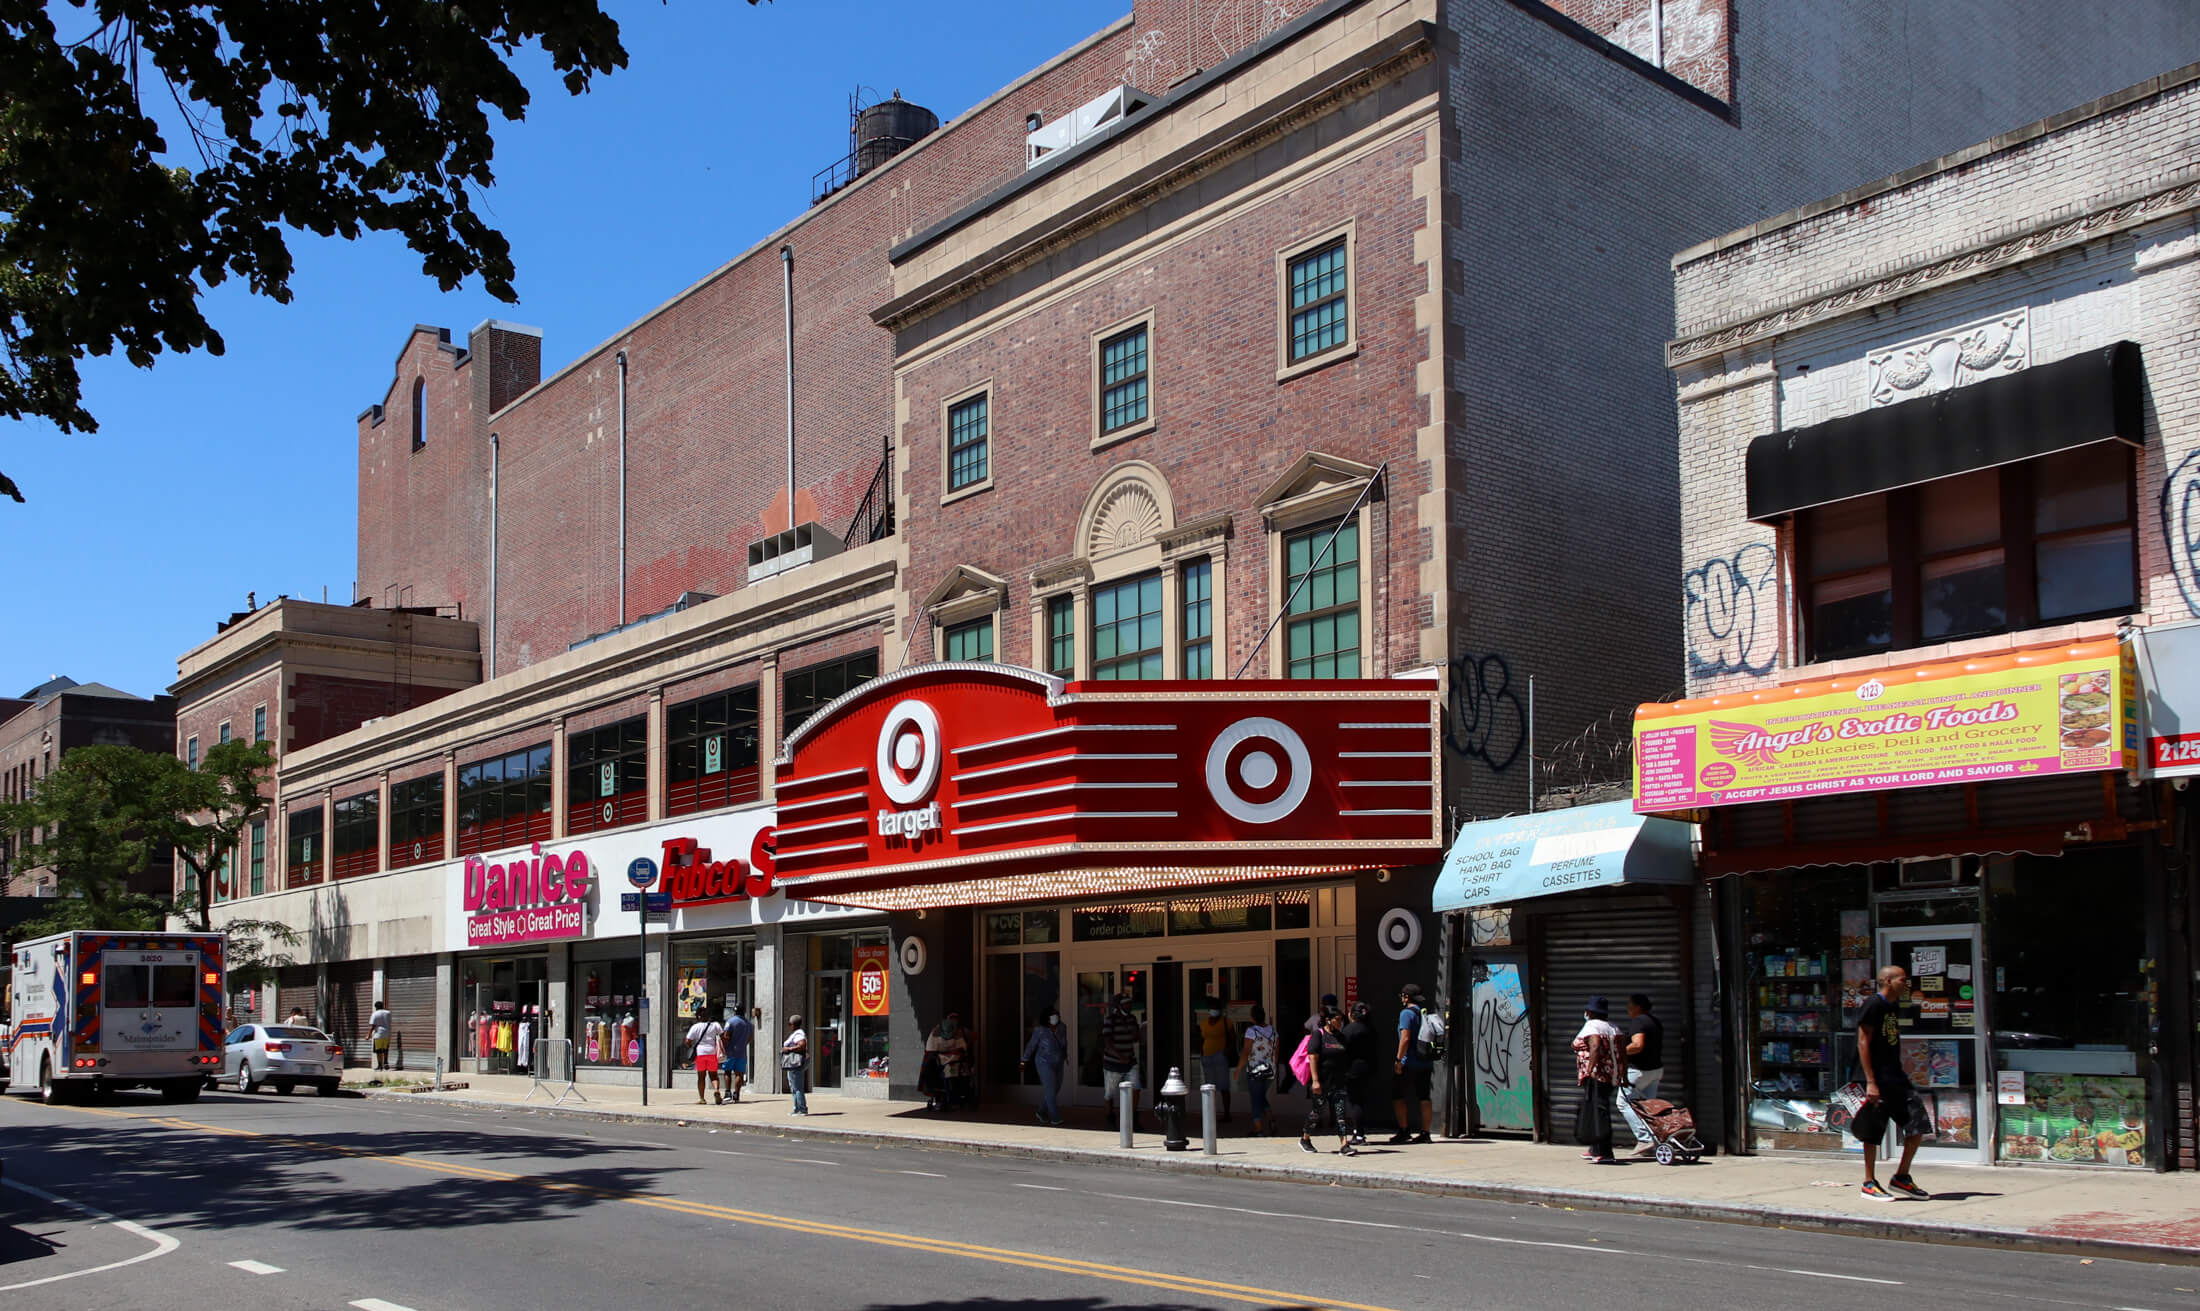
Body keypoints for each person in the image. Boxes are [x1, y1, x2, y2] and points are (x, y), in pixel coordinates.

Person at [1855, 965, 1932, 1200]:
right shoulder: (1873, 1005)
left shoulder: (1893, 1006)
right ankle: (1869, 1183)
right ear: (1888, 981)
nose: (1906, 984)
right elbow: (1862, 1042)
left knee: (1917, 1124)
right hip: (1877, 1078)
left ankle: (1901, 1177)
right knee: (1873, 1130)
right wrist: (1871, 1081)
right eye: (1902, 980)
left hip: (1895, 1077)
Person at [1572, 995, 1623, 1164]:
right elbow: (1622, 1051)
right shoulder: (1613, 1027)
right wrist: (1622, 1072)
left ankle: (1605, 1152)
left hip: (1596, 1076)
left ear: (1590, 1012)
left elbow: (1594, 1047)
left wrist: (1590, 1069)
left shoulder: (1592, 1026)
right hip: (1609, 1076)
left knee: (1599, 1112)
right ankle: (1594, 1148)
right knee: (1596, 1109)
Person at [1301, 1007, 1357, 1156]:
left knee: (1340, 1113)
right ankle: (1305, 1139)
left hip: (1338, 1081)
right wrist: (1315, 1081)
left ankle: (1344, 1145)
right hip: (1323, 1081)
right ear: (1328, 1020)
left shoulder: (1341, 1037)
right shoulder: (1318, 1035)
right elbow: (1313, 1057)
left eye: (1341, 1020)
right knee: (1317, 1112)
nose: (1340, 1023)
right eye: (1337, 1020)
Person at [1617, 993, 1665, 1158]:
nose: (1627, 1008)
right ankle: (1653, 1141)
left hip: (1639, 1071)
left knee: (1623, 1102)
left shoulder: (1639, 1021)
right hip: (1656, 1071)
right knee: (1647, 1107)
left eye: (1629, 1005)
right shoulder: (1655, 1021)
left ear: (1638, 1006)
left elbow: (1637, 1045)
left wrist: (1618, 1052)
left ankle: (1645, 1139)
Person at [1391, 983, 1434, 1145]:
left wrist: (1398, 1060)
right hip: (1425, 1062)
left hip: (1409, 1062)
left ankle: (1404, 1130)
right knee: (1424, 1097)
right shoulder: (1424, 1012)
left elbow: (1406, 1038)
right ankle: (1426, 1132)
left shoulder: (1406, 1013)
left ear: (1406, 997)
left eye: (1402, 995)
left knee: (1398, 1096)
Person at [1099, 989, 1144, 1132]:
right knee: (1110, 1093)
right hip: (1113, 1063)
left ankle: (1133, 1119)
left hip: (1130, 1061)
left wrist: (1140, 1032)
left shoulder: (1132, 1019)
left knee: (1136, 1088)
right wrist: (1119, 1057)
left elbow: (1136, 1038)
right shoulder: (1110, 1020)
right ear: (1118, 1006)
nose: (1129, 1006)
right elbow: (1107, 1042)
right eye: (1125, 1004)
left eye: (1129, 1003)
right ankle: (1109, 1118)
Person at [1021, 1007, 1068, 1126]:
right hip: (1044, 1062)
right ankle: (1055, 1117)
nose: (1055, 1018)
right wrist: (1024, 1060)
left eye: (1056, 1015)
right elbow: (1031, 1045)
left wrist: (1065, 1056)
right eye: (1052, 1015)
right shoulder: (1040, 1031)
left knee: (1056, 1087)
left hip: (1058, 1061)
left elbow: (1064, 1043)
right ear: (1046, 1018)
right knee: (1050, 1088)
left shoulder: (1062, 1027)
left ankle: (1041, 1111)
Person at [1342, 1001, 1380, 1145]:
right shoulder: (1371, 1029)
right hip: (1369, 1068)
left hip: (1353, 1070)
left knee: (1355, 1101)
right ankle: (1358, 1132)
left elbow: (1343, 1050)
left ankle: (1359, 1134)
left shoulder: (1349, 1030)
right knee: (1361, 1100)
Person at [1238, 1005, 1279, 1136]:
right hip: (1270, 1070)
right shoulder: (1273, 1031)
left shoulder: (1251, 1031)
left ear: (1252, 1017)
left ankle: (1258, 1129)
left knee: (1255, 1100)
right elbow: (1276, 1052)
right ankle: (1271, 1120)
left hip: (1255, 1070)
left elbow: (1246, 1051)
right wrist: (1274, 1066)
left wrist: (1238, 1069)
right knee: (1260, 1096)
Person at [1197, 999, 1234, 1122]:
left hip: (1220, 1056)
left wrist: (1226, 1051)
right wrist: (1201, 1054)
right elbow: (1201, 1039)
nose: (1213, 1010)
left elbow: (1233, 1038)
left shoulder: (1226, 1022)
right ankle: (1209, 1114)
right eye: (1211, 1007)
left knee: (1224, 1086)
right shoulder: (1204, 1023)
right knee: (1209, 1087)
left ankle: (1227, 1113)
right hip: (1207, 1056)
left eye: (1215, 1007)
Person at [927, 1014, 972, 1112]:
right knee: (940, 1077)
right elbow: (931, 1048)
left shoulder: (958, 1031)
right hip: (945, 1060)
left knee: (952, 1078)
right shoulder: (938, 1032)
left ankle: (951, 1099)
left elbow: (963, 1047)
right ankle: (943, 1099)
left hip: (952, 1061)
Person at [685, 1009, 727, 1105]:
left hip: (700, 1054)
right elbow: (723, 1036)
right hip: (712, 1053)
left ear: (698, 1016)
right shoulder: (715, 1025)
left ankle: (702, 1098)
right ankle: (716, 1090)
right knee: (713, 1075)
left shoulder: (695, 1027)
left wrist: (691, 1047)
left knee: (701, 1076)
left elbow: (688, 1040)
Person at [722, 1003, 755, 1104]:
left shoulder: (730, 1021)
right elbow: (750, 1038)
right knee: (739, 1074)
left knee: (727, 1072)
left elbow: (726, 1035)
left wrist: (724, 1047)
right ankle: (736, 1094)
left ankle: (728, 1093)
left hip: (730, 1051)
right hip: (742, 1052)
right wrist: (743, 1043)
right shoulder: (749, 1024)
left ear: (735, 1011)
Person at [781, 1014, 809, 1116]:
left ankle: (802, 1109)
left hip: (795, 1063)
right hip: (793, 1064)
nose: (789, 1026)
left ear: (793, 1024)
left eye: (790, 1024)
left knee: (797, 1087)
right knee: (793, 1087)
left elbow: (802, 1045)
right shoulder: (796, 1033)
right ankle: (797, 1108)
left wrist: (788, 1049)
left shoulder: (799, 1034)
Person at [369, 998, 392, 1071]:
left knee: (378, 1051)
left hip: (378, 1034)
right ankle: (385, 1063)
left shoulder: (375, 1014)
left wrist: (368, 1034)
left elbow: (373, 1026)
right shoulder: (388, 1013)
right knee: (385, 1050)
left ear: (376, 1007)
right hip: (387, 1034)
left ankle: (380, 1066)